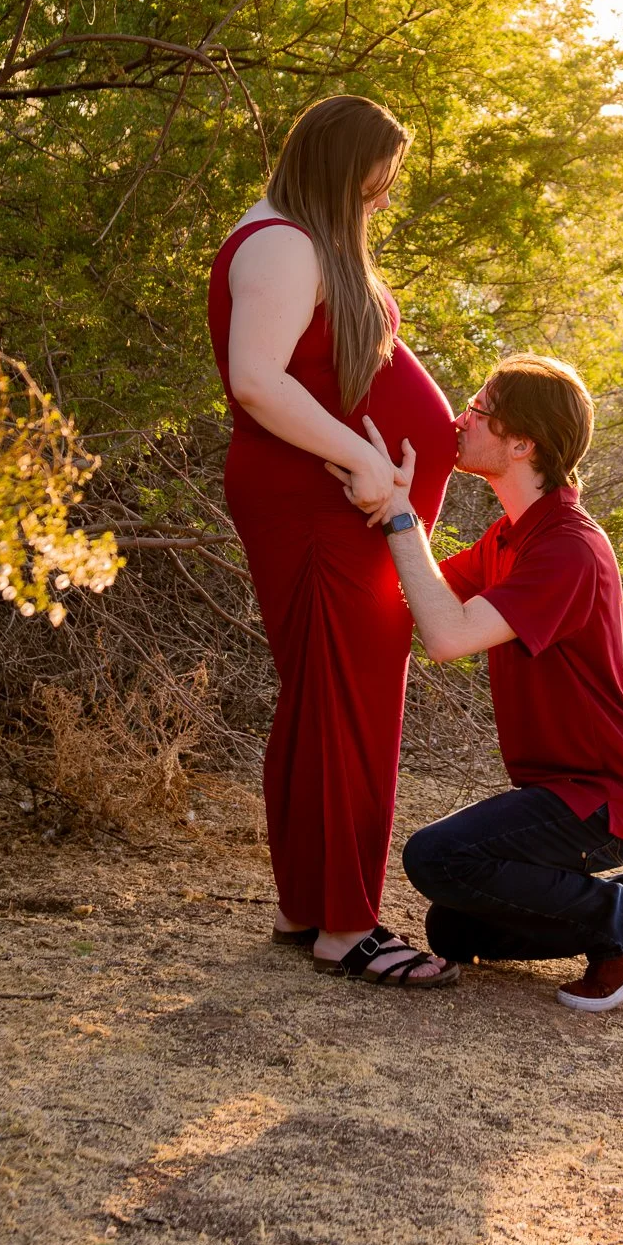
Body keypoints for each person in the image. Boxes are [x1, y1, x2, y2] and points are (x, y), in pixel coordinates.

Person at [330, 355, 623, 1013]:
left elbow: (446, 635)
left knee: (437, 859)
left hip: (616, 790)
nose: (460, 420)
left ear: (521, 444)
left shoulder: (568, 547)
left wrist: (400, 515)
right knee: (454, 928)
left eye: (477, 410)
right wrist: (376, 502)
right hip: (568, 785)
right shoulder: (511, 536)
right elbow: (419, 595)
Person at [208, 95, 458, 987]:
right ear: (335, 170)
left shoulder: (305, 239)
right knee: (348, 708)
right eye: (372, 183)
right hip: (320, 507)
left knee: (326, 703)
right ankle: (346, 928)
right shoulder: (281, 244)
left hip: (343, 504)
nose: (381, 199)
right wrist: (365, 460)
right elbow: (255, 381)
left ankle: (307, 907)